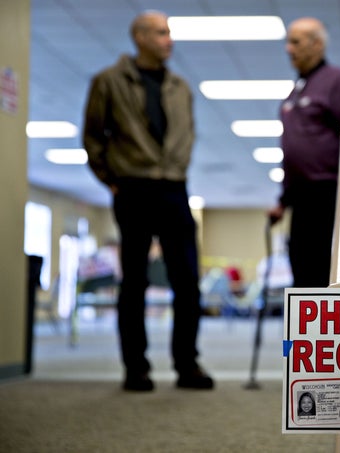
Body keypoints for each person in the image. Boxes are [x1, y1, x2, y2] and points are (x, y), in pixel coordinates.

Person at [83, 10, 213, 391]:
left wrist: (178, 164)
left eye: (169, 32)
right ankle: (135, 367)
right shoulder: (108, 82)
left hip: (173, 187)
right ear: (138, 37)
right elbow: (93, 137)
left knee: (187, 281)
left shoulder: (180, 87)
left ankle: (187, 364)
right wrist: (112, 180)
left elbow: (186, 132)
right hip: (133, 188)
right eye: (160, 33)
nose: (168, 40)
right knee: (135, 282)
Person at [268, 17, 340, 287]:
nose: (288, 49)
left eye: (295, 42)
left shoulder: (338, 82)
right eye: (287, 42)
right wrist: (284, 200)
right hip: (303, 199)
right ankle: (307, 333)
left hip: (335, 194)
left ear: (317, 44)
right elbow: (294, 154)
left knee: (336, 276)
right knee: (303, 272)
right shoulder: (296, 91)